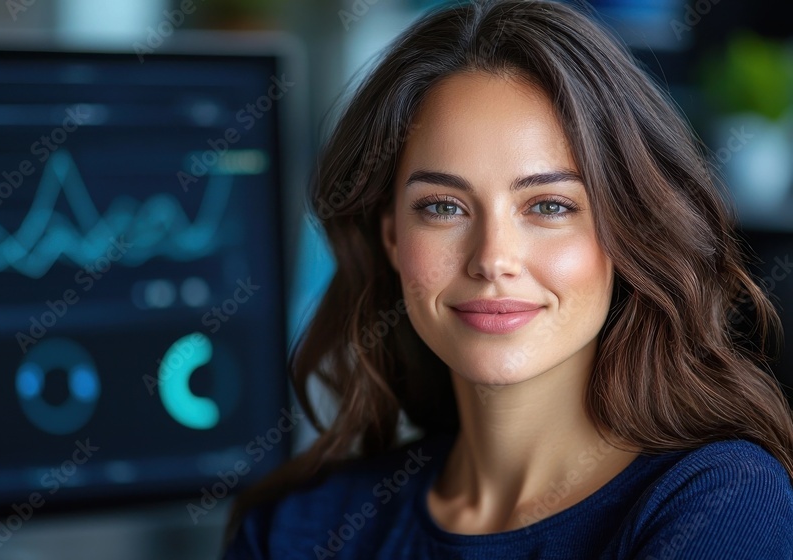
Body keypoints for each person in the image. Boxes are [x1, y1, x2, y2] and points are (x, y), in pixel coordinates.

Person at [221, 0, 793, 558]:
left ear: (628, 230)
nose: (493, 259)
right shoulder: (294, 528)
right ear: (392, 236)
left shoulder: (718, 503)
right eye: (443, 207)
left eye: (548, 206)